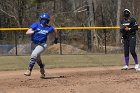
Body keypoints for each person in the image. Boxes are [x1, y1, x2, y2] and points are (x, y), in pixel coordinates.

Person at [24, 12, 58, 78]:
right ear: (40, 19)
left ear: (47, 21)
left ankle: (29, 70)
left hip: (42, 45)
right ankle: (42, 67)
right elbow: (27, 32)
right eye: (43, 19)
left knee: (34, 54)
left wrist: (56, 38)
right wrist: (34, 31)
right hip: (33, 44)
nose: (44, 21)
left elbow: (55, 30)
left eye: (45, 19)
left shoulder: (49, 28)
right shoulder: (36, 25)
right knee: (37, 59)